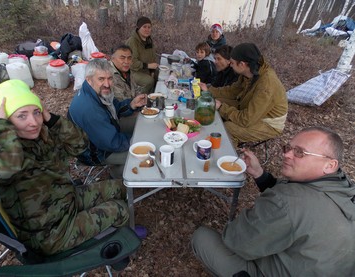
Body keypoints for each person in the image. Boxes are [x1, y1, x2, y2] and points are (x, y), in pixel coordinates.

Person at [0, 79, 129, 256]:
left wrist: (50, 119)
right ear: (6, 121)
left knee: (121, 187)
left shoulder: (42, 135)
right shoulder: (1, 151)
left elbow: (80, 144)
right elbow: (4, 170)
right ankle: (119, 251)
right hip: (51, 232)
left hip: (66, 200)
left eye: (36, 113)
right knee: (119, 209)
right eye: (22, 115)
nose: (33, 122)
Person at [192, 126, 355, 276]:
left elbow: (237, 240)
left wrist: (256, 215)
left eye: (300, 152)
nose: (286, 154)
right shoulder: (342, 187)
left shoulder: (287, 202)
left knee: (202, 238)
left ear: (330, 164)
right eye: (288, 148)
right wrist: (260, 175)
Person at [68, 59, 147, 178]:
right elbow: (113, 143)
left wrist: (131, 104)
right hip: (94, 152)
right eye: (101, 79)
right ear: (89, 79)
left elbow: (114, 108)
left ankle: (120, 166)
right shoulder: (90, 109)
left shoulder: (96, 91)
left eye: (109, 78)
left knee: (142, 121)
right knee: (143, 154)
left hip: (106, 132)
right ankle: (115, 176)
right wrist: (139, 141)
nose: (107, 84)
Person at [200, 42, 288, 146]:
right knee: (214, 99)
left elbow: (246, 120)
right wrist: (208, 90)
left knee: (229, 128)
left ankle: (226, 156)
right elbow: (232, 91)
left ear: (242, 64)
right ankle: (206, 131)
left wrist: (221, 107)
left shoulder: (267, 85)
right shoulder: (249, 71)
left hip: (268, 122)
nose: (230, 65)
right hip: (250, 108)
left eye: (232, 63)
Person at [125, 16, 159, 94]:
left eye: (149, 27)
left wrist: (152, 71)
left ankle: (154, 95)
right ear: (139, 28)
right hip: (132, 71)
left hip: (145, 69)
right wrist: (148, 66)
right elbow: (132, 63)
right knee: (149, 81)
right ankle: (141, 99)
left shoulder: (149, 41)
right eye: (144, 27)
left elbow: (153, 57)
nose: (147, 30)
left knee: (160, 75)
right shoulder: (133, 42)